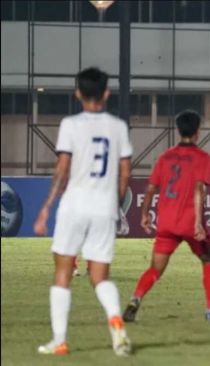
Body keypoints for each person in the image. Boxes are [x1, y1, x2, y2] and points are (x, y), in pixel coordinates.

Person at [32, 67, 132, 356]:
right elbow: (125, 172)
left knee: (63, 271)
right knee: (100, 276)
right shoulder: (118, 127)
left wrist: (46, 207)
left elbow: (62, 168)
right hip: (104, 208)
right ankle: (116, 324)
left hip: (75, 204)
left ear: (77, 93)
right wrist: (115, 202)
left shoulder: (70, 125)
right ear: (106, 93)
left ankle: (59, 340)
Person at [122, 110, 210, 322]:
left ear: (178, 130)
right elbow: (198, 191)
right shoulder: (203, 158)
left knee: (155, 268)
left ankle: (135, 299)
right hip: (188, 222)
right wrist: (198, 224)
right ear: (197, 132)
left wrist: (144, 214)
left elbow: (150, 189)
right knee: (208, 260)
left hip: (166, 222)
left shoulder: (165, 157)